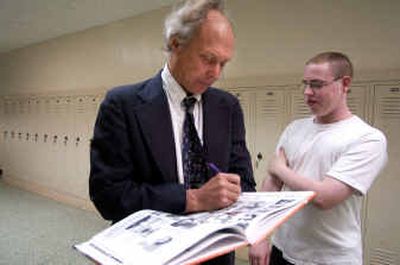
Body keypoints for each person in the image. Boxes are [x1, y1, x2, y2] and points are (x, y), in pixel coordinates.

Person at [89, 0, 256, 264]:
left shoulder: (228, 107)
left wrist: (234, 193)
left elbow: (245, 181)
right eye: (208, 59)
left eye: (223, 64)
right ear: (177, 44)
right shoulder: (122, 105)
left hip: (215, 253)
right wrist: (191, 199)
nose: (215, 73)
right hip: (149, 252)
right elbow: (108, 196)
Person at [249, 52, 387, 265]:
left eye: (317, 84)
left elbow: (325, 198)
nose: (307, 92)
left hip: (331, 258)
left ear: (345, 83)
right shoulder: (295, 129)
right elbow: (272, 185)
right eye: (305, 84)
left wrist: (281, 169)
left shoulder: (367, 138)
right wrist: (259, 236)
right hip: (283, 250)